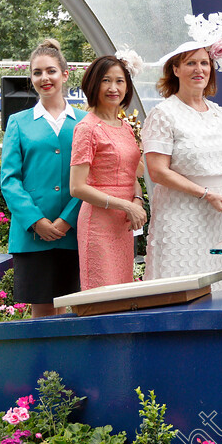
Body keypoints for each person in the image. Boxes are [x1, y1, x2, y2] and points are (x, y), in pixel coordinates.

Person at [142, 43, 222, 291]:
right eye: (190, 63)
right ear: (175, 69)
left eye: (204, 63)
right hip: (180, 217)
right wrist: (205, 194)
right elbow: (158, 172)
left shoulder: (221, 114)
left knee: (220, 287)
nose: (199, 69)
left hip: (218, 218)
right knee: (180, 287)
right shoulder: (163, 113)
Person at [0, 39, 87, 317]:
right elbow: (10, 179)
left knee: (79, 313)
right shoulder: (18, 122)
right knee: (43, 316)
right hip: (33, 236)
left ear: (65, 74)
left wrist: (66, 220)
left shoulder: (85, 121)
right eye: (37, 73)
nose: (44, 78)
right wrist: (36, 221)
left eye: (50, 71)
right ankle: (45, 364)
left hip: (75, 232)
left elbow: (93, 176)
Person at [70, 56, 146, 290]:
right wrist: (126, 206)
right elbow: (77, 187)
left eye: (120, 81)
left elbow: (132, 173)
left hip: (123, 224)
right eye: (106, 80)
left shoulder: (125, 127)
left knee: (122, 294)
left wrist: (137, 200)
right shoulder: (87, 128)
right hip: (99, 224)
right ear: (93, 84)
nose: (114, 88)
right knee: (102, 295)